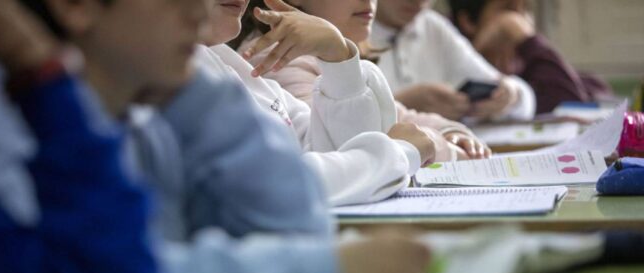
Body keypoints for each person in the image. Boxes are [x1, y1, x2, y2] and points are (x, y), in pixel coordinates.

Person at [16, 0, 432, 273]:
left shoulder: (157, 103)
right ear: (76, 6)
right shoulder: (24, 127)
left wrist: (192, 85)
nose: (197, 12)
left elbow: (296, 222)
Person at [0, 1, 304, 273]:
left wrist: (44, 76)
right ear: (76, 6)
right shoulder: (13, 126)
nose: (199, 14)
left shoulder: (140, 121)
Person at [198, 0, 446, 206]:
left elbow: (334, 151)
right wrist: (400, 153)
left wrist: (339, 58)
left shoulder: (224, 62)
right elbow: (270, 185)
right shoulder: (176, 76)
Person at [236, 0, 491, 160]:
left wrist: (452, 132)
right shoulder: (277, 60)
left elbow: (397, 117)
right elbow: (354, 148)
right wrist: (438, 145)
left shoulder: (327, 58)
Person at [369, 0, 535, 121]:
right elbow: (345, 128)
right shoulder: (349, 30)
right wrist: (401, 106)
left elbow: (525, 100)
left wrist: (510, 94)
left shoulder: (432, 26)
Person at [448, 0, 613, 114]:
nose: (521, 20)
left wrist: (528, 41)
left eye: (526, 7)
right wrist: (528, 39)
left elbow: (595, 90)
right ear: (468, 21)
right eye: (508, 8)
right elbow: (567, 100)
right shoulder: (452, 71)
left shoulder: (527, 66)